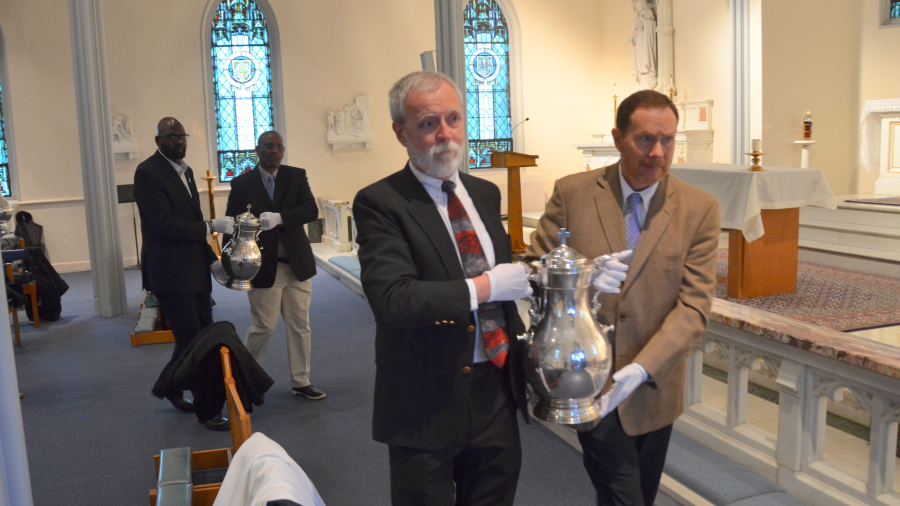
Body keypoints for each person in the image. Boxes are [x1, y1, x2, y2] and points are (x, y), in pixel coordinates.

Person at [526, 89, 720, 506]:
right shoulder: (574, 193)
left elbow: (694, 306)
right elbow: (535, 270)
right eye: (645, 139)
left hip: (653, 384)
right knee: (623, 495)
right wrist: (585, 278)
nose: (657, 153)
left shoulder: (698, 208)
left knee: (640, 494)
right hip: (587, 377)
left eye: (668, 140)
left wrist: (642, 370)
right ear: (617, 138)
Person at [352, 71, 533, 506]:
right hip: (425, 398)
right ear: (401, 132)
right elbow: (393, 300)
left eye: (453, 119)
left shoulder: (485, 194)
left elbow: (511, 284)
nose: (445, 134)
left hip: (495, 389)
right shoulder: (381, 202)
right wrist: (486, 287)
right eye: (428, 123)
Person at [134, 117, 234, 431]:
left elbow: (191, 221)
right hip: (169, 272)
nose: (179, 141)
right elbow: (164, 225)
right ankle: (208, 410)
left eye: (182, 136)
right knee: (196, 342)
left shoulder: (187, 172)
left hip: (193, 269)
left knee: (199, 335)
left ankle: (169, 385)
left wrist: (214, 261)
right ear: (157, 140)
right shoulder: (148, 173)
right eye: (171, 137)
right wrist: (211, 227)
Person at [224, 130, 324, 400]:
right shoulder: (242, 184)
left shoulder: (296, 176)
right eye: (269, 146)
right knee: (263, 327)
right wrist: (229, 263)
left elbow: (310, 210)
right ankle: (244, 381)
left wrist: (281, 217)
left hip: (296, 265)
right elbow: (231, 225)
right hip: (263, 267)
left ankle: (301, 381)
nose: (275, 151)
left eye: (279, 147)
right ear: (258, 149)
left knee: (300, 325)